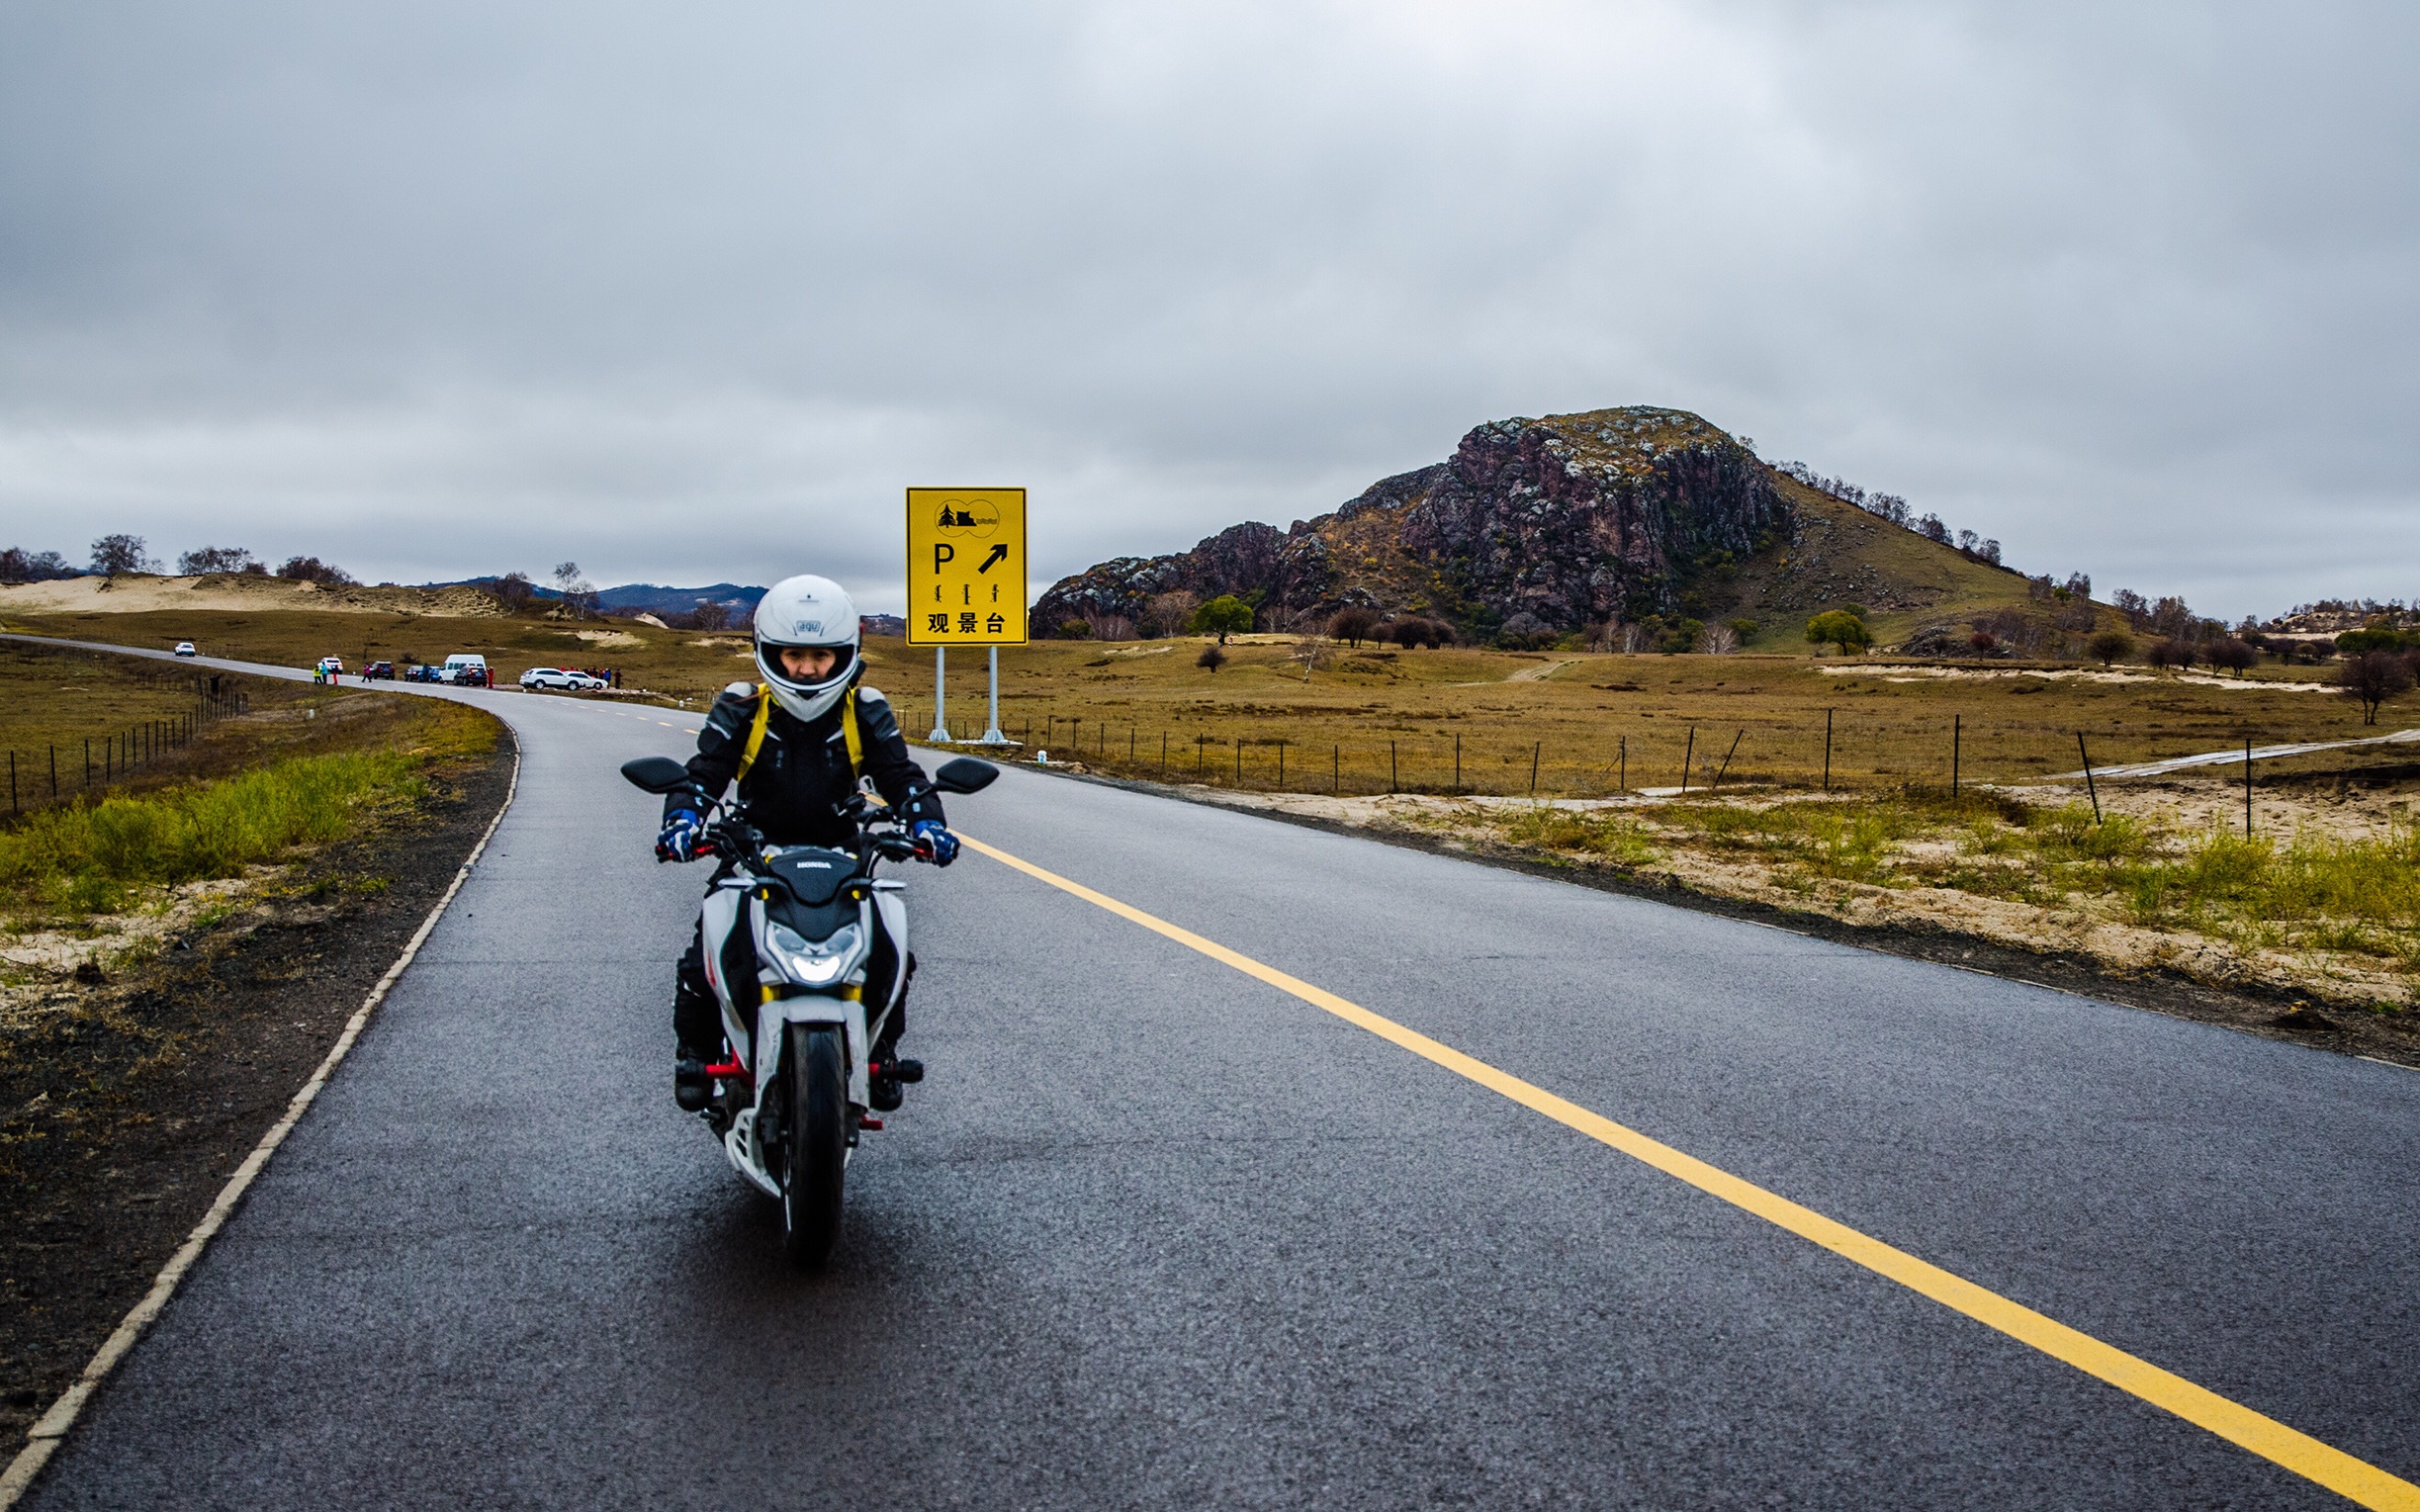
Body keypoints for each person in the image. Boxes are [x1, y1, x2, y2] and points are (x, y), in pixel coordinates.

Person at [655, 574, 957, 1115]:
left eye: (821, 655)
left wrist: (928, 823)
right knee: (705, 950)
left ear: (845, 654)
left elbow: (901, 775)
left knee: (892, 948)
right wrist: (681, 818)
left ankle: (881, 1052)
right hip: (753, 852)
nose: (807, 669)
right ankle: (694, 1054)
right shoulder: (743, 706)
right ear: (769, 652)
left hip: (844, 855)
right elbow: (704, 774)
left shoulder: (864, 708)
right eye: (793, 654)